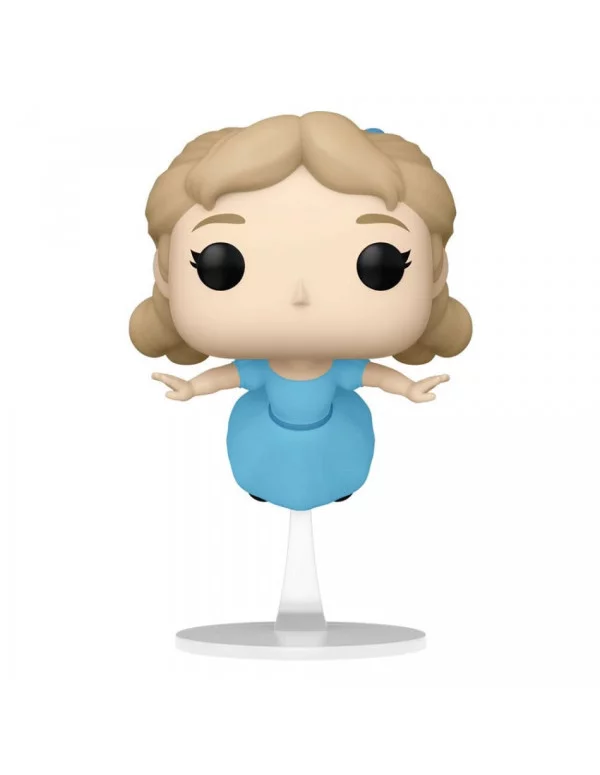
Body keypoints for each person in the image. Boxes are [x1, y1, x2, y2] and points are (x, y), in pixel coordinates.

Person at [129, 112, 472, 510]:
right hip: (264, 433)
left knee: (337, 466)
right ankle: (262, 484)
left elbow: (374, 377)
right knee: (262, 466)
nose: (300, 295)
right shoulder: (266, 369)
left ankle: (338, 484)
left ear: (435, 270)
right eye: (220, 264)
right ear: (166, 270)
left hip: (336, 434)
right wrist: (192, 388)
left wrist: (409, 388)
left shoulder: (337, 370)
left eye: (381, 264)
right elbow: (229, 377)